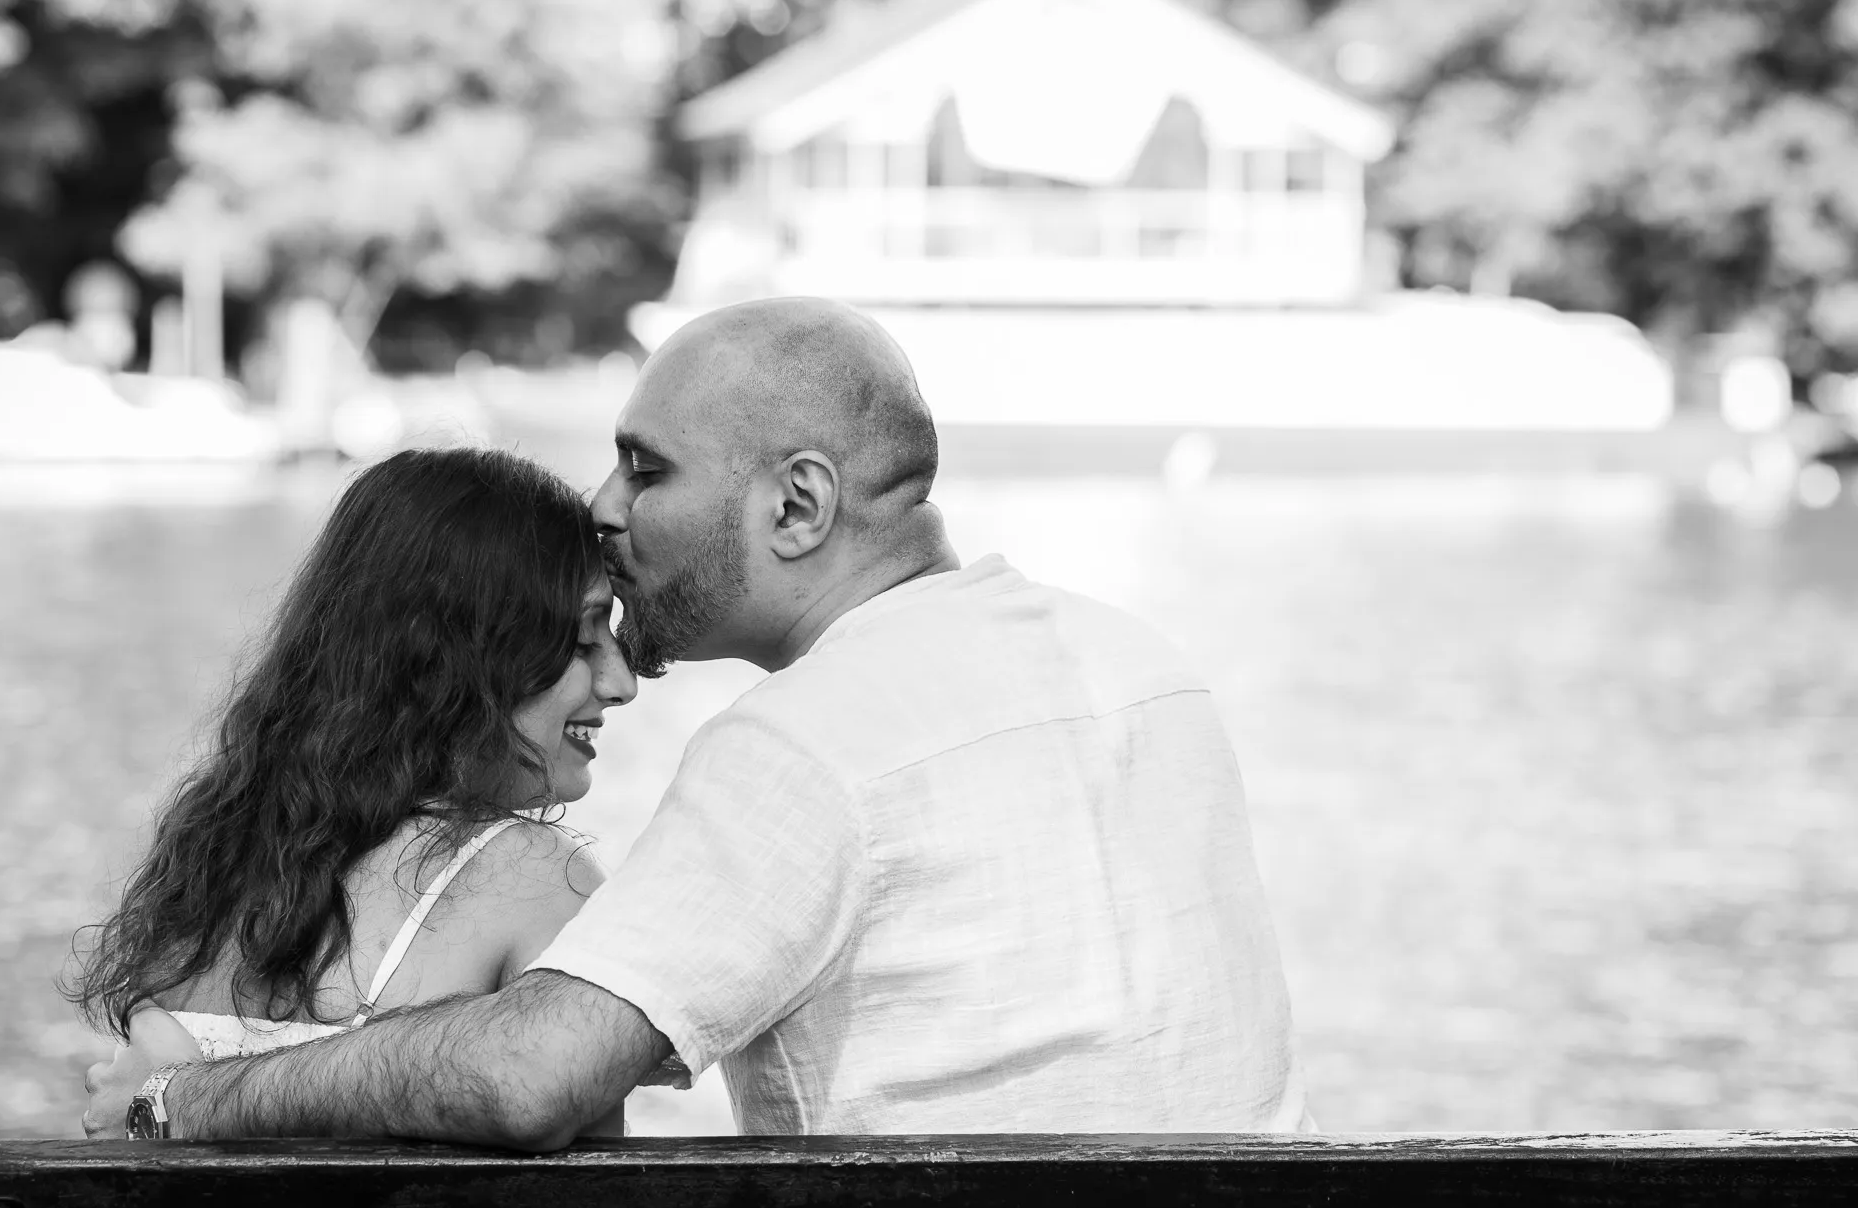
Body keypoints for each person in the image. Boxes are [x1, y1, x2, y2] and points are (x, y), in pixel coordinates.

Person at [85, 296, 1311, 1144]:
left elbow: (530, 1075)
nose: (605, 507)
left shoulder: (812, 739)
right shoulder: (1145, 666)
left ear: (797, 505)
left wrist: (191, 1101)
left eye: (645, 468)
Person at [70, 447, 642, 1136]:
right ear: (465, 655)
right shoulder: (540, 879)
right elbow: (601, 1205)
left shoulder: (215, 868)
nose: (621, 682)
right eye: (583, 640)